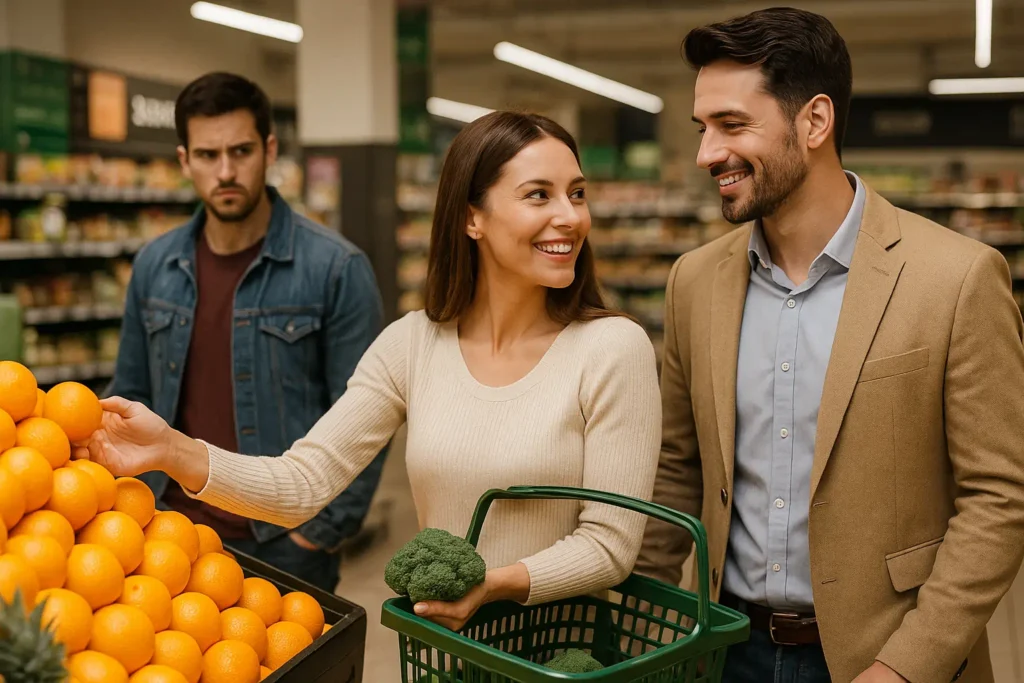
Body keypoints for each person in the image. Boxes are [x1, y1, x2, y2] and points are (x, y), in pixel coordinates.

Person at [85, 110, 662, 629]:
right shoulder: (413, 342)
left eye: (577, 193)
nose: (570, 217)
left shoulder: (612, 349)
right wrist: (171, 450)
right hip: (444, 654)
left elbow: (609, 545)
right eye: (539, 195)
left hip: (565, 656)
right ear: (472, 219)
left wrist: (494, 584)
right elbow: (303, 482)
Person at [635, 8, 1024, 683]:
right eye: (703, 129)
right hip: (725, 650)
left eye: (732, 125)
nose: (705, 154)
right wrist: (638, 630)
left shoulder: (956, 278)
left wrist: (904, 666)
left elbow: (1000, 497)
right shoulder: (693, 283)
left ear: (814, 122)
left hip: (888, 653)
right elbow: (677, 469)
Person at [106, 72, 389, 593]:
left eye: (241, 151)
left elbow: (367, 418)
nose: (227, 171)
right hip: (171, 533)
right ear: (184, 160)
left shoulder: (336, 268)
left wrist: (321, 532)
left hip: (284, 541)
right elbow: (131, 390)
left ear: (270, 150)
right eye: (209, 155)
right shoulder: (154, 265)